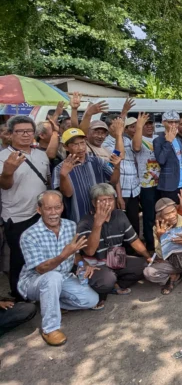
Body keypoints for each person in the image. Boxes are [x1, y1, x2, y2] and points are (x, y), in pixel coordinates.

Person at [18, 191, 99, 346]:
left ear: (62, 207)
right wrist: (63, 255)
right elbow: (41, 269)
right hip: (34, 281)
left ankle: (51, 302)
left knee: (91, 300)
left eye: (57, 207)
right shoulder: (29, 235)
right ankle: (50, 328)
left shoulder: (70, 226)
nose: (54, 213)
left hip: (63, 277)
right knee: (52, 277)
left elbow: (75, 255)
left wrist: (83, 265)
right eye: (49, 208)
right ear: (39, 210)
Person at [76, 184, 152, 310]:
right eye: (102, 200)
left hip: (116, 259)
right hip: (96, 265)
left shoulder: (119, 215)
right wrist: (97, 225)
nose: (107, 203)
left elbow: (134, 240)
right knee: (106, 281)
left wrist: (149, 257)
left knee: (144, 266)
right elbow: (89, 251)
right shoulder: (85, 222)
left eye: (110, 199)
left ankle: (115, 284)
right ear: (94, 203)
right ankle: (106, 286)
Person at [0, 116, 50, 299]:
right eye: (20, 131)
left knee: (43, 253)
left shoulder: (41, 154)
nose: (25, 135)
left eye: (29, 131)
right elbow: (4, 185)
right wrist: (7, 172)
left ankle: (40, 291)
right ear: (11, 134)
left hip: (41, 214)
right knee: (20, 258)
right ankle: (19, 295)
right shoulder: (3, 157)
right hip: (17, 216)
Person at [52, 128, 121, 222]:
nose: (81, 148)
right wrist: (64, 175)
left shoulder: (97, 161)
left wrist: (117, 167)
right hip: (79, 217)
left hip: (101, 215)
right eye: (75, 144)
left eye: (82, 143)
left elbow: (113, 181)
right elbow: (67, 194)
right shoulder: (60, 168)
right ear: (66, 147)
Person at [103, 115, 141, 235]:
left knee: (134, 221)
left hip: (133, 188)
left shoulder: (127, 140)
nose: (120, 127)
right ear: (109, 127)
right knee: (120, 222)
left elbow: (137, 149)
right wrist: (119, 135)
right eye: (117, 125)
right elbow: (119, 156)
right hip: (120, 190)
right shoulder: (106, 143)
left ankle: (134, 249)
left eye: (121, 124)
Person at [133, 113, 160, 250]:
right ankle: (150, 243)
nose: (149, 126)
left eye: (151, 123)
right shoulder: (138, 138)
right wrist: (139, 126)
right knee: (149, 216)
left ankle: (162, 241)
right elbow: (137, 148)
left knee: (161, 214)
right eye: (146, 124)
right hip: (146, 184)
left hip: (161, 183)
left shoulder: (158, 138)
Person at [153, 111, 182, 202]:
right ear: (163, 122)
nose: (173, 124)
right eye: (170, 122)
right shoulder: (158, 140)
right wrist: (168, 142)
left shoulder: (179, 140)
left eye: (176, 122)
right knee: (171, 212)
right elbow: (161, 160)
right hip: (169, 185)